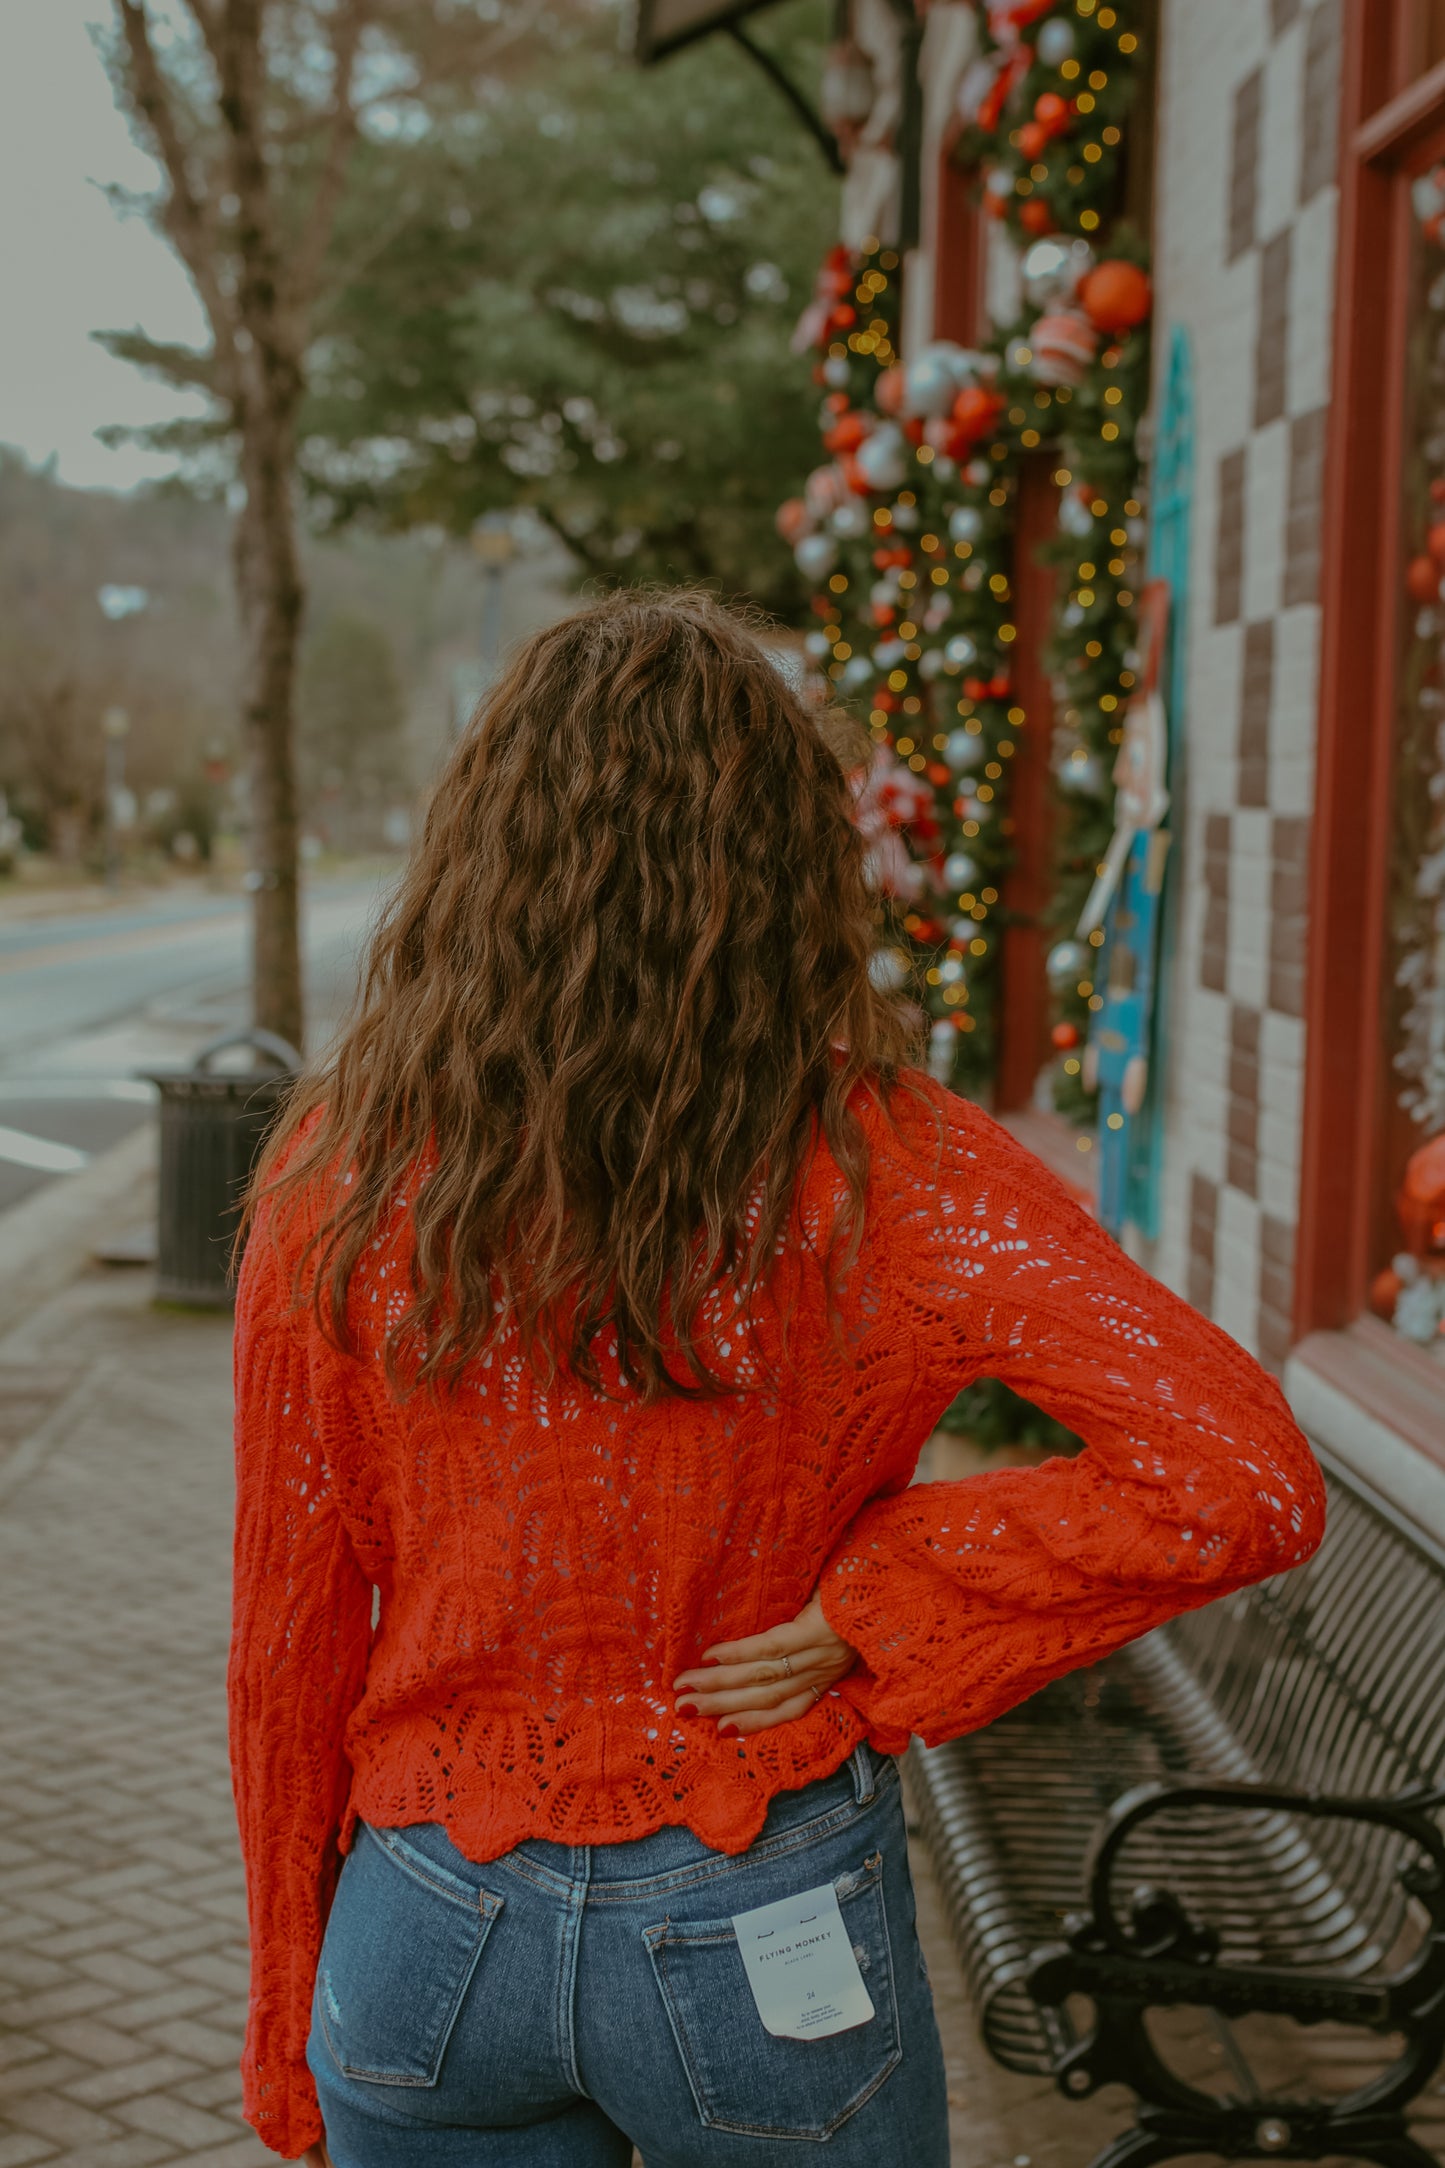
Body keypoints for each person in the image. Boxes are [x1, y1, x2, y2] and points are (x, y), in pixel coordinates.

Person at [230, 591, 1325, 2168]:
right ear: (793, 869)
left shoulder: (334, 1175)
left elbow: (285, 1642)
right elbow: (1240, 1474)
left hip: (425, 1932)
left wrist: (287, 2011)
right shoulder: (894, 1170)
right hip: (757, 1905)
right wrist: (878, 1604)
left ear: (478, 857)